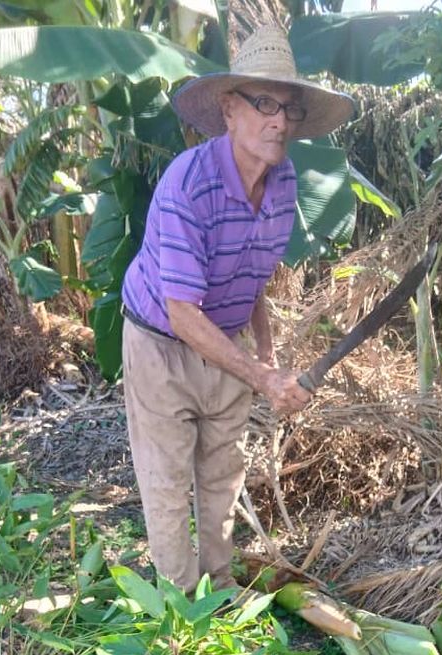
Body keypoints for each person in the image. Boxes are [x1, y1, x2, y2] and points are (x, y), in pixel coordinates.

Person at [120, 24, 355, 593]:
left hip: (224, 341)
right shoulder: (188, 186)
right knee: (168, 481)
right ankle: (178, 612)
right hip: (160, 340)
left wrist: (269, 357)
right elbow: (181, 313)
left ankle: (219, 589)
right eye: (264, 103)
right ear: (229, 109)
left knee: (222, 474)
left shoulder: (284, 182)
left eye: (289, 108)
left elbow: (254, 274)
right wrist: (261, 375)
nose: (279, 121)